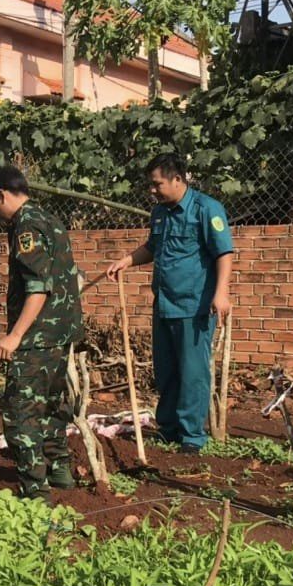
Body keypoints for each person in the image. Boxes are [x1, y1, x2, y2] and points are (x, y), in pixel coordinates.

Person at [106, 152, 234, 453]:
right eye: (151, 185)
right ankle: (169, 428)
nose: (152, 190)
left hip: (194, 305)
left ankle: (191, 436)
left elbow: (224, 253)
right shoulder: (160, 212)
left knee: (193, 372)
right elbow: (153, 246)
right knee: (166, 370)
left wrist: (221, 292)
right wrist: (126, 260)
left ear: (178, 179)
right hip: (163, 303)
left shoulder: (206, 209)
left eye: (157, 184)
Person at [0, 165, 83, 500]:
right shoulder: (50, 219)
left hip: (37, 337)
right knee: (52, 405)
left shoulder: (26, 226)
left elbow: (38, 287)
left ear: (1, 195)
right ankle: (60, 472)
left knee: (21, 411)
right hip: (60, 334)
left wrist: (15, 335)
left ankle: (35, 489)